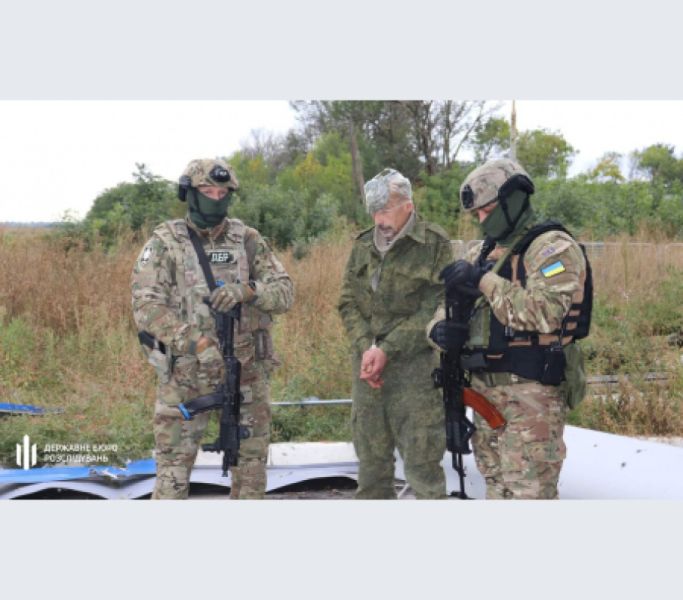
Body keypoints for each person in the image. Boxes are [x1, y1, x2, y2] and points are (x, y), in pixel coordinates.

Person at [427, 158, 590, 499]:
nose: (481, 220)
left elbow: (545, 313)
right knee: (496, 491)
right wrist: (438, 329)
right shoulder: (480, 252)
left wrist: (482, 280)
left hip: (530, 398)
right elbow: (444, 306)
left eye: (487, 211)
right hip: (484, 398)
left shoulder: (553, 249)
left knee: (529, 495)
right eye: (477, 214)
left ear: (512, 201)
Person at [131, 158, 293, 499]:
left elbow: (285, 291)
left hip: (245, 374)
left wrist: (249, 290)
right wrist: (197, 343)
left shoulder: (247, 239)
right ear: (189, 193)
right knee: (172, 478)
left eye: (223, 193)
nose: (216, 199)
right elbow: (146, 307)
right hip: (186, 377)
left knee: (250, 476)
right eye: (207, 191)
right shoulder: (165, 242)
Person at [338, 168, 453, 499]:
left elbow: (437, 306)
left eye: (385, 210)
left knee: (423, 470)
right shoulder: (363, 244)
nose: (379, 219)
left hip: (414, 374)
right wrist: (367, 349)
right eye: (374, 211)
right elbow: (347, 302)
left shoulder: (433, 243)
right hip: (367, 372)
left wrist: (387, 349)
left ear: (408, 206)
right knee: (371, 470)